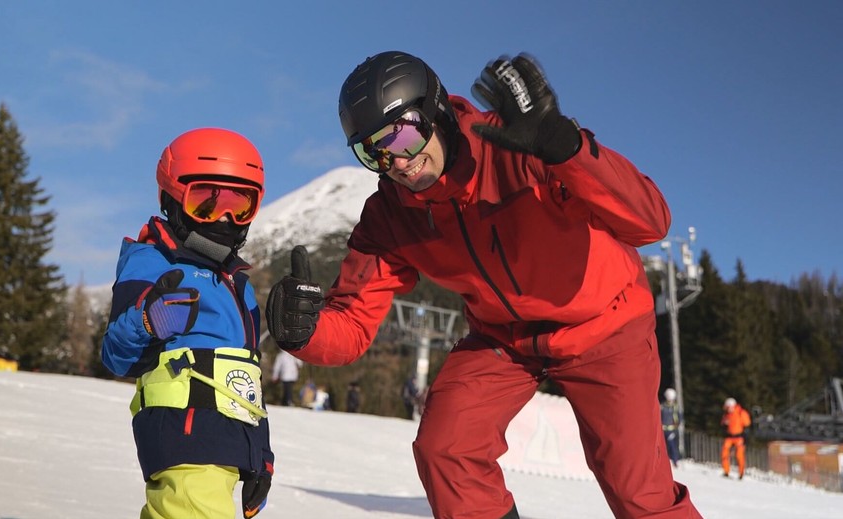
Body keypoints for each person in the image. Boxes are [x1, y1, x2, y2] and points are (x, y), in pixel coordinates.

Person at [265, 50, 703, 519]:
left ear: (435, 110)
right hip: (505, 338)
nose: (395, 160)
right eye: (371, 150)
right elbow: (351, 324)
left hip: (604, 323)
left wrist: (566, 148)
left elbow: (650, 222)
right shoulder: (390, 215)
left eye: (404, 135)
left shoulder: (519, 144)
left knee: (638, 491)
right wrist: (305, 333)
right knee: (446, 448)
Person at [101, 128, 273, 519]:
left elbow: (246, 378)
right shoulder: (154, 263)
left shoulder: (239, 287)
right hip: (184, 435)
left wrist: (261, 456)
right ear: (172, 198)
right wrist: (148, 321)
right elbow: (116, 355)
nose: (225, 218)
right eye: (206, 202)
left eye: (240, 204)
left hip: (228, 444)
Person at [721, 397, 752, 479]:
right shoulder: (726, 415)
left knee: (739, 455)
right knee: (724, 453)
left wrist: (745, 436)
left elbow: (747, 424)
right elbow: (723, 423)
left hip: (739, 437)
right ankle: (726, 471)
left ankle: (741, 473)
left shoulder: (741, 412)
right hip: (729, 437)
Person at [661, 388, 682, 467]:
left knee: (672, 446)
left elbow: (679, 418)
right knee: (663, 446)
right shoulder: (662, 406)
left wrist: (675, 428)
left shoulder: (675, 407)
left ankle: (675, 461)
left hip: (672, 430)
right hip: (663, 430)